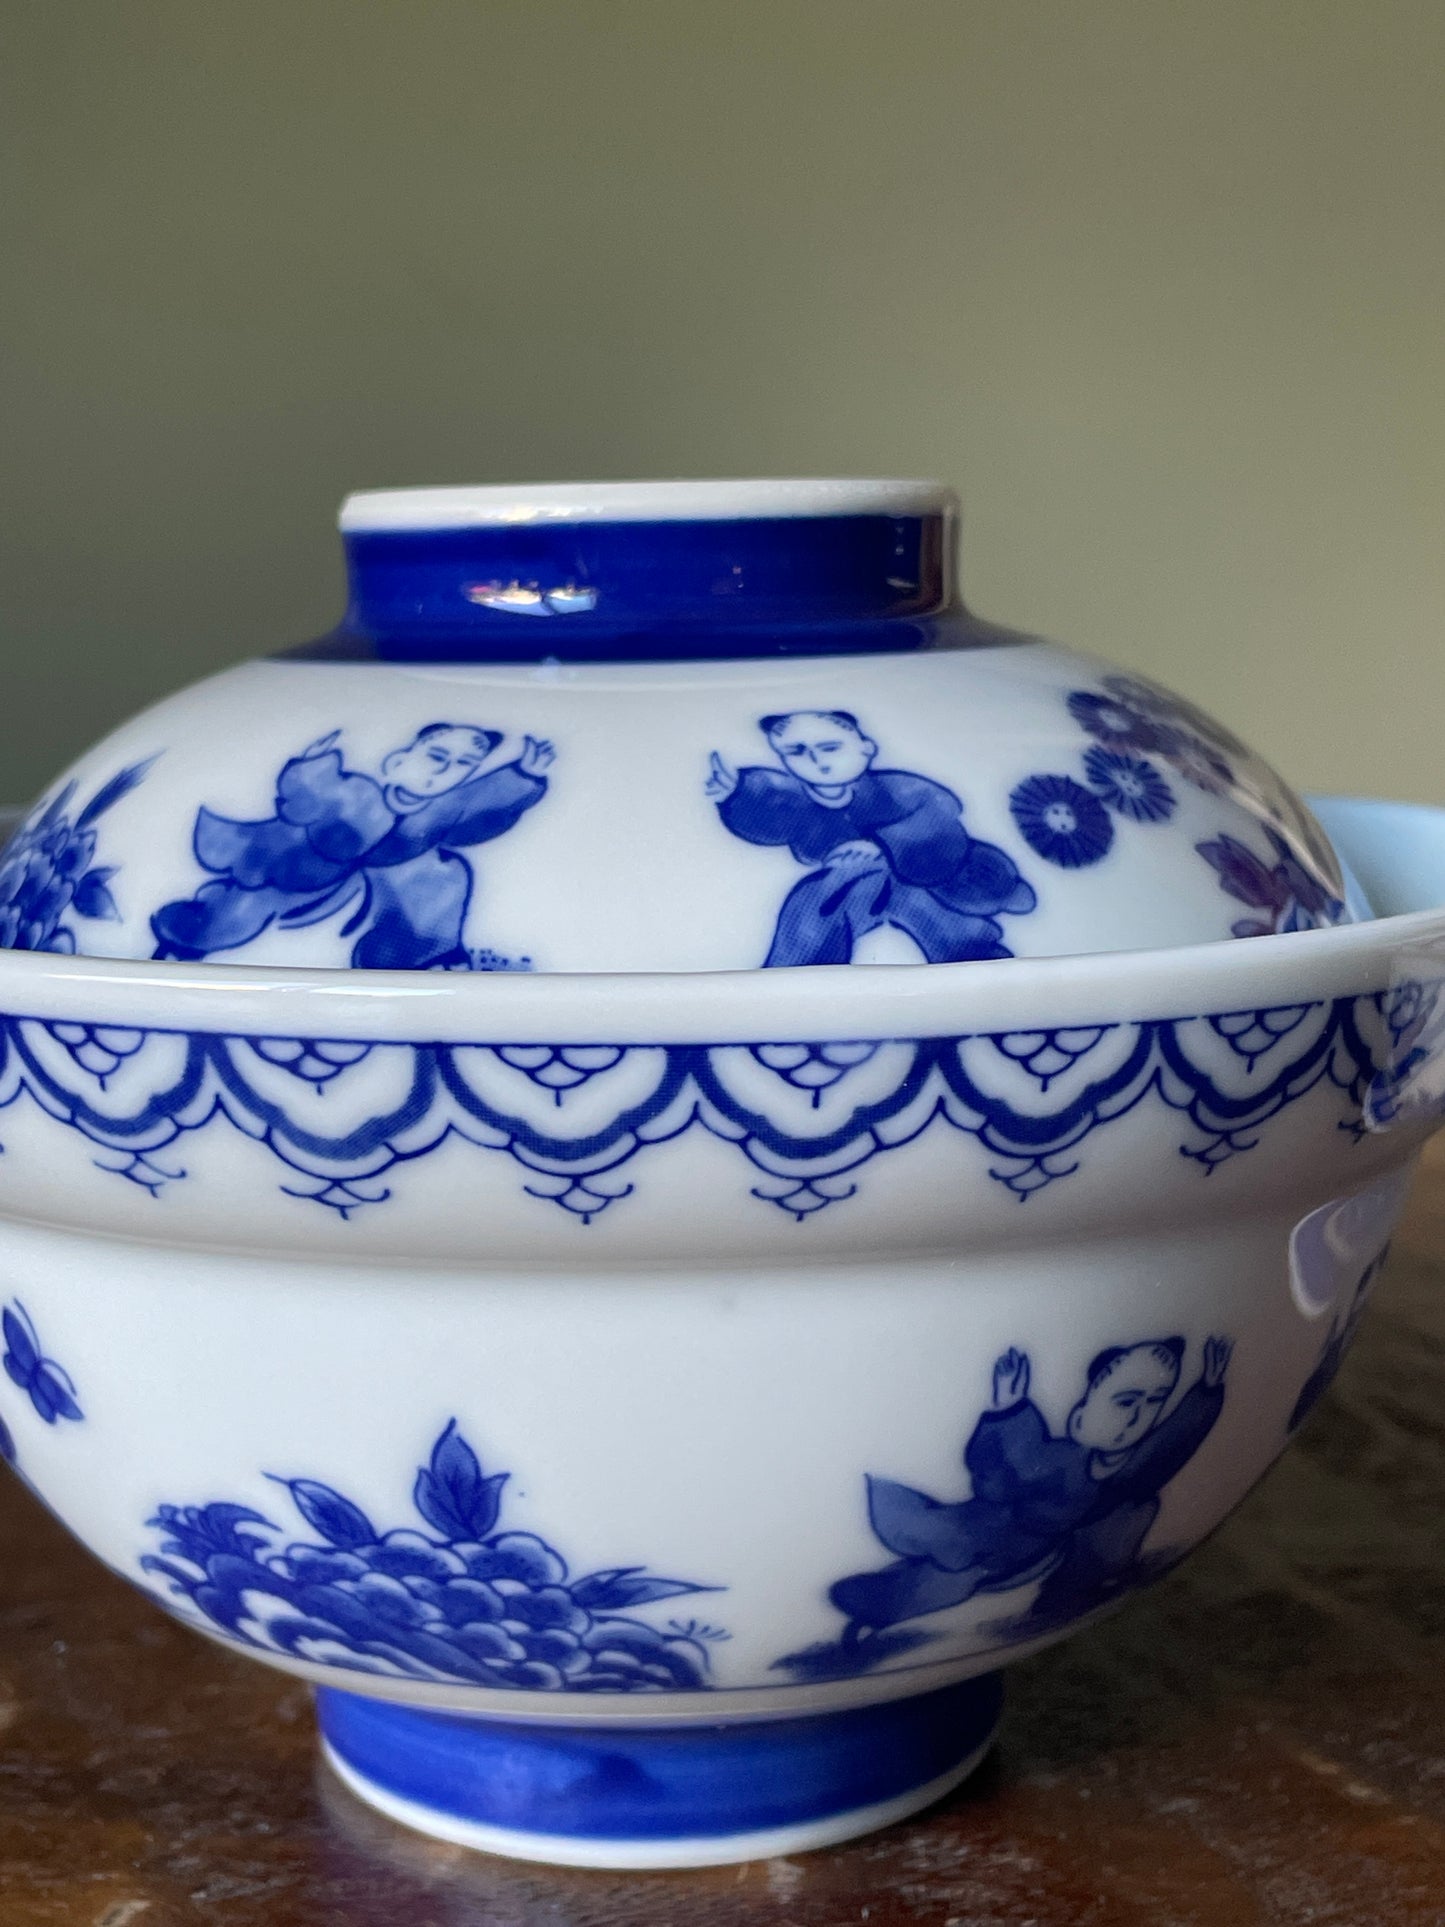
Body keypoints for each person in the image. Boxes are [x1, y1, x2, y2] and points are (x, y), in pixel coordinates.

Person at [823, 1334, 1232, 1664]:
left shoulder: (1128, 1470)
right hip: (995, 1537)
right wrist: (1008, 1410)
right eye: (1125, 1401)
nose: (1138, 1417)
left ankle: (1063, 1595)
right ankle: (874, 1602)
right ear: (1082, 1409)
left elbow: (1170, 1446)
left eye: (1155, 1402)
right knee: (947, 1564)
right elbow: (1002, 1473)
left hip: (1051, 1555)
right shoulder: (1058, 1459)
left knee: (1134, 1511)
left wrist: (1206, 1392)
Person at [151, 723, 553, 970]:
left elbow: (479, 804)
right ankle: (185, 941)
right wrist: (313, 765)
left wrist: (524, 775)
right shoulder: (354, 793)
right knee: (254, 892)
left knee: (441, 879)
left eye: (463, 765)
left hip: (393, 876)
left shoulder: (440, 811)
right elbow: (308, 795)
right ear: (396, 762)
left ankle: (416, 962)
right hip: (306, 866)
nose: (447, 771)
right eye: (437, 756)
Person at [706, 711, 1036, 965]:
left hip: (936, 880)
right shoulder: (808, 801)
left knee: (896, 895)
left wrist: (882, 847)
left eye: (830, 747)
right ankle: (801, 978)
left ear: (866, 749)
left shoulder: (905, 790)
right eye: (796, 752)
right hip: (860, 887)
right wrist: (737, 794)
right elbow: (780, 807)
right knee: (823, 893)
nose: (817, 760)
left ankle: (979, 967)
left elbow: (937, 831)